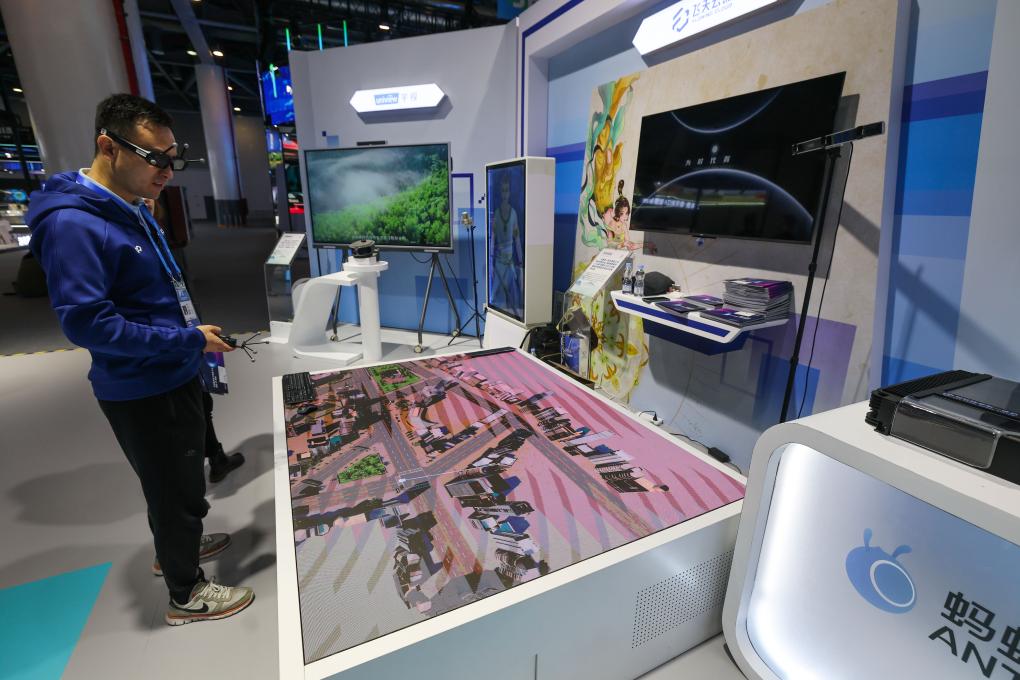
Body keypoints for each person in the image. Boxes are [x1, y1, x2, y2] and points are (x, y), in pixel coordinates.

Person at [27, 94, 254, 625]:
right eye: (155, 159)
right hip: (146, 384)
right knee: (176, 490)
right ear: (108, 147)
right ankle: (185, 593)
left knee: (177, 483)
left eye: (173, 158)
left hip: (172, 367)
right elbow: (88, 324)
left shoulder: (127, 205)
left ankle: (176, 550)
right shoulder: (73, 225)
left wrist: (187, 343)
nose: (167, 172)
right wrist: (187, 341)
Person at [145, 196, 244, 485]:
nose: (146, 202)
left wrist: (195, 333)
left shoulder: (156, 235)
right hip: (165, 346)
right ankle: (190, 476)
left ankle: (215, 457)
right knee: (182, 418)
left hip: (185, 336)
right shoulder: (134, 239)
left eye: (149, 198)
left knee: (201, 402)